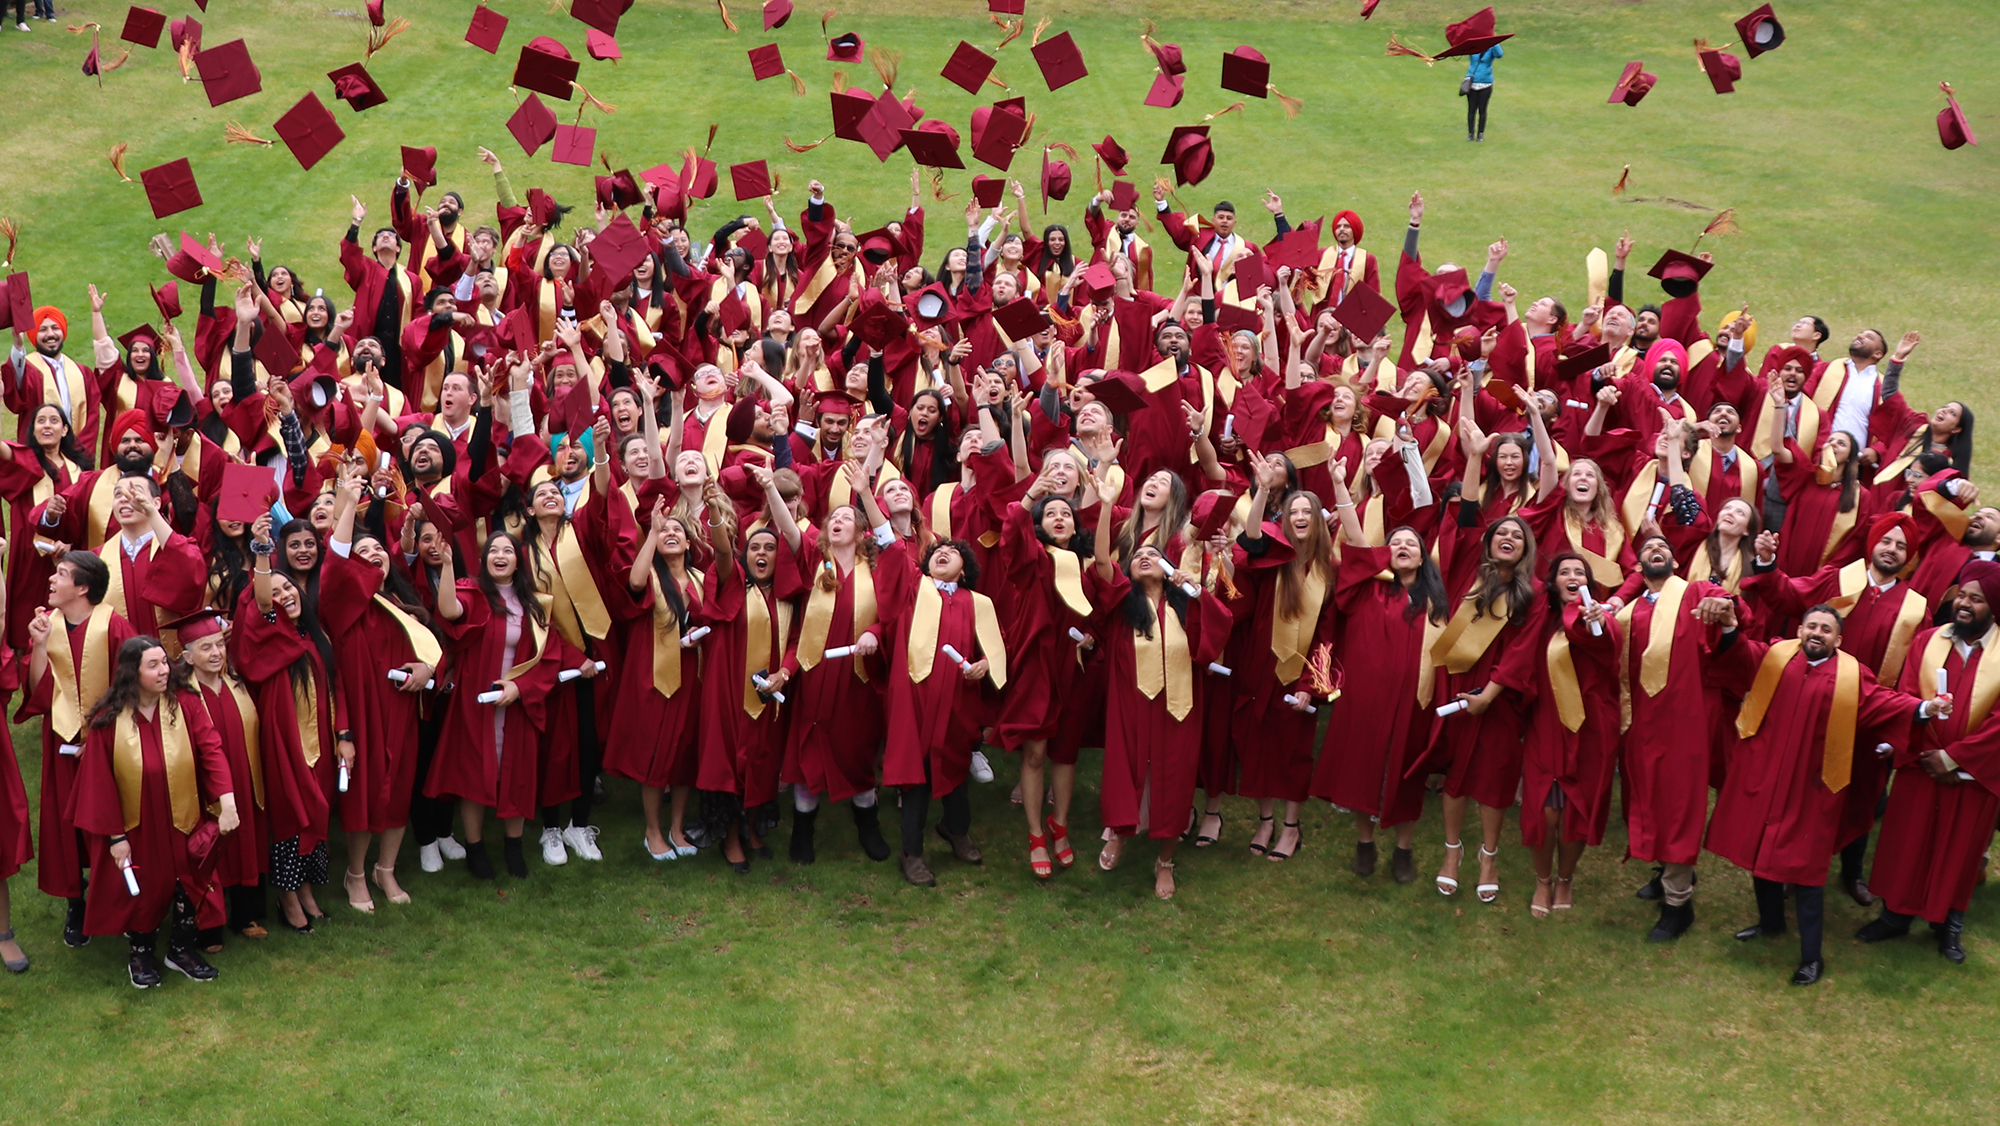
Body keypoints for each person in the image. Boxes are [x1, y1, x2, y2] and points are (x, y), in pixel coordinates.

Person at [1706, 604, 1935, 985]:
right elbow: (1742, 656)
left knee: (1806, 871)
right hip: (1768, 776)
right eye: (1811, 625)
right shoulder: (1778, 657)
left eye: (1826, 629)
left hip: (1814, 787)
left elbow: (1883, 702)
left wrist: (1925, 707)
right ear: (1800, 629)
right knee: (1762, 851)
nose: (1816, 633)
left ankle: (1812, 958)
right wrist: (1730, 629)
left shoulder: (1850, 675)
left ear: (1838, 639)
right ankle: (1770, 923)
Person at [71, 636, 239, 987]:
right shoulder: (109, 720)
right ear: (133, 672)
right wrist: (116, 837)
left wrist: (227, 800)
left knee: (190, 883)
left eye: (165, 662)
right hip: (137, 823)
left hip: (183, 816)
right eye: (153, 665)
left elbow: (211, 750)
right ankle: (141, 954)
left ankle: (180, 950)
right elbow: (98, 784)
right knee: (142, 889)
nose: (164, 670)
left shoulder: (185, 705)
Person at [1859, 561, 2000, 964]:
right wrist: (1927, 752)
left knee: (1959, 849)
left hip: (1973, 774)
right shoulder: (1926, 641)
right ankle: (1895, 915)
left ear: (1993, 607)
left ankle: (1949, 925)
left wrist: (1955, 759)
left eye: (1976, 599)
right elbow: (1906, 694)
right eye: (1962, 595)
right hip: (1922, 761)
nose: (1965, 604)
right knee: (1908, 839)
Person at [429, 532, 560, 879]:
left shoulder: (535, 604)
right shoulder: (473, 593)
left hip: (517, 703)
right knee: (474, 774)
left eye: (508, 550)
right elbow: (449, 611)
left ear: (519, 560)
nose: (500, 555)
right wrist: (445, 567)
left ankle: (513, 847)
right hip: (477, 701)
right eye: (493, 550)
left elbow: (547, 658)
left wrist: (520, 687)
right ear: (485, 559)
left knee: (516, 775)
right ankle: (475, 848)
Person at [21, 550, 135, 947]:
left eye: (62, 574)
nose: (52, 580)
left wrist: (102, 739)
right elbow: (38, 692)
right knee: (65, 824)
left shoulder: (114, 626)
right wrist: (38, 646)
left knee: (108, 820)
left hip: (108, 744)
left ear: (83, 588)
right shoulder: (47, 625)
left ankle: (118, 901)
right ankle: (76, 901)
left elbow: (129, 691)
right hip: (62, 740)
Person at [1464, 41, 1503, 141]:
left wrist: (1494, 41)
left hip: (1486, 83)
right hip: (1472, 83)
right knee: (1472, 109)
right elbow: (1464, 48)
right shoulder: (1474, 46)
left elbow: (1499, 54)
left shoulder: (1491, 49)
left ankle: (1480, 134)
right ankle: (1471, 134)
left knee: (1482, 110)